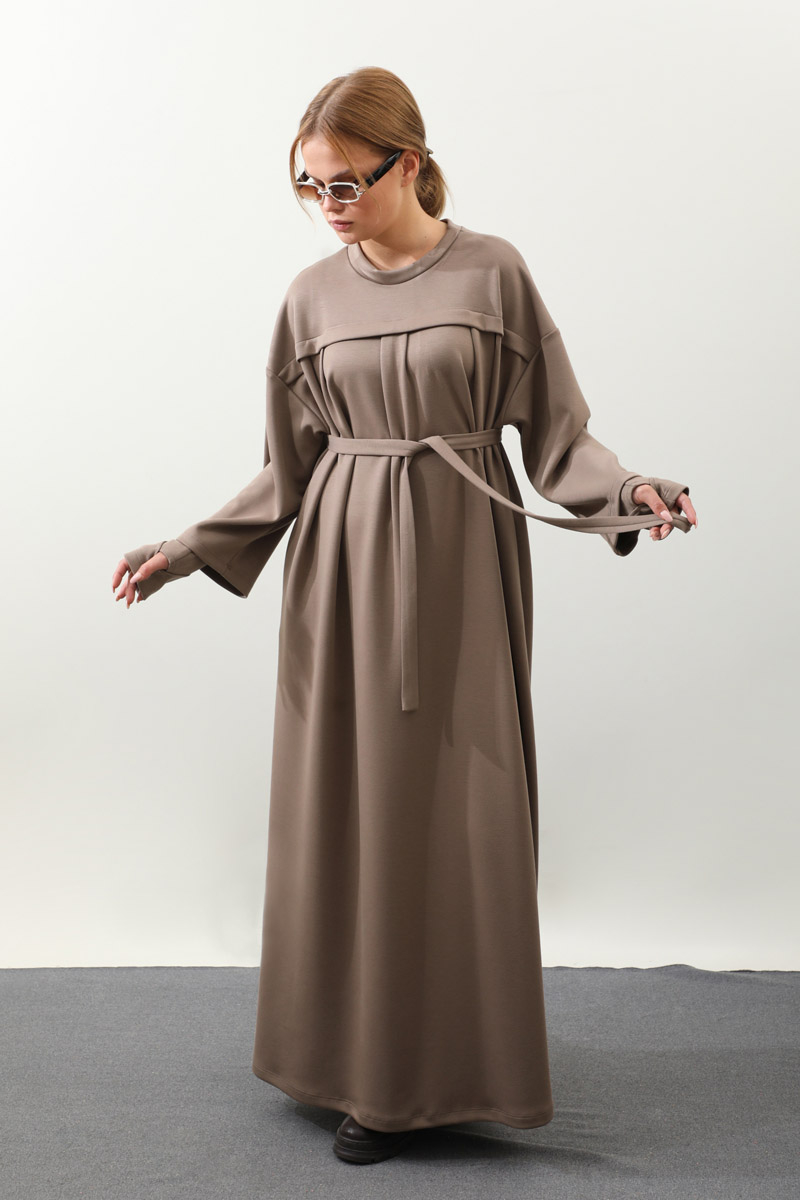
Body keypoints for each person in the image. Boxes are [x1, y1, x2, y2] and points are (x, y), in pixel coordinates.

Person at [112, 66, 697, 1166]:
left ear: (409, 165)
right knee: (352, 809)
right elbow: (286, 470)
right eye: (308, 185)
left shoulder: (493, 273)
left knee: (462, 809)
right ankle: (358, 1072)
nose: (326, 204)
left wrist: (629, 493)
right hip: (338, 580)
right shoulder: (307, 298)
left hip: (462, 571)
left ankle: (463, 1066)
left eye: (344, 182)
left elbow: (560, 437)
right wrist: (184, 551)